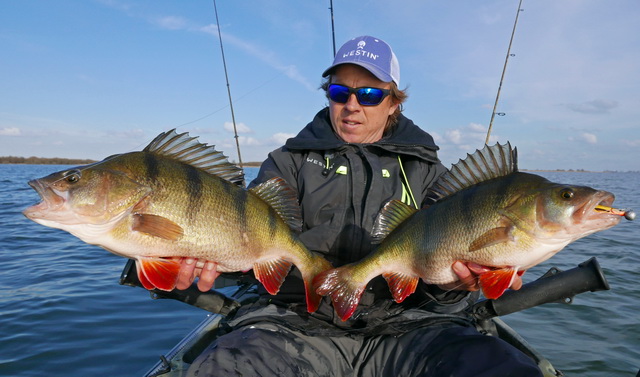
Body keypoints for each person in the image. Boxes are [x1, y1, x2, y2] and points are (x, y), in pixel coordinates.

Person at [179, 35, 542, 377]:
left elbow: (439, 270)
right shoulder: (286, 163)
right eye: (340, 92)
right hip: (290, 324)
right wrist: (206, 258)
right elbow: (253, 243)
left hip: (412, 325)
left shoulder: (429, 173)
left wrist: (464, 284)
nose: (352, 105)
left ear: (393, 103)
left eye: (369, 94)